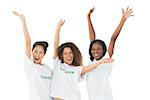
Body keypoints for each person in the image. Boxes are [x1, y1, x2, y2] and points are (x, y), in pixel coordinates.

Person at [50, 19, 113, 100]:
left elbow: (88, 68)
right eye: (65, 53)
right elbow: (56, 44)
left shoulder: (77, 69)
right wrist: (58, 28)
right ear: (61, 55)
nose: (68, 56)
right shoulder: (57, 63)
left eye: (70, 53)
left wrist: (100, 62)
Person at [86, 6, 134, 100]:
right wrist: (88, 17)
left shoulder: (107, 59)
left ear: (104, 50)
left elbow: (113, 38)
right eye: (93, 49)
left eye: (99, 49)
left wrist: (123, 19)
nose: (96, 51)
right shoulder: (91, 62)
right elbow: (92, 37)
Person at [13, 11, 53, 100]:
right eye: (35, 51)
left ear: (44, 54)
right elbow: (28, 41)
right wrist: (23, 21)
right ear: (32, 51)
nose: (37, 54)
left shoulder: (48, 69)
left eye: (40, 52)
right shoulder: (30, 66)